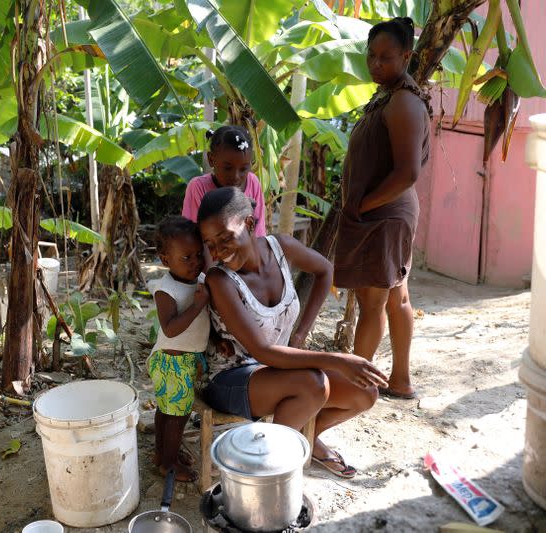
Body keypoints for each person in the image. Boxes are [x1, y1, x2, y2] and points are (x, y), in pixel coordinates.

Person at [198, 187, 387, 479]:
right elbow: (262, 352)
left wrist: (300, 336)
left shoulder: (280, 247)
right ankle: (267, 470)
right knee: (312, 384)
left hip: (276, 370)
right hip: (230, 379)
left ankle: (306, 438)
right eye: (210, 244)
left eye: (224, 237)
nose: (218, 252)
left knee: (365, 391)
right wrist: (337, 360)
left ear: (249, 224)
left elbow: (325, 270)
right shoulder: (221, 280)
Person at [334, 17, 432, 400]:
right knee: (396, 297)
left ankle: (355, 386)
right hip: (387, 213)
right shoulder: (391, 95)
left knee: (373, 302)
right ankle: (399, 380)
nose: (376, 64)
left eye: (387, 57)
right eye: (371, 56)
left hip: (385, 214)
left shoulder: (404, 102)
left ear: (406, 56)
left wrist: (361, 206)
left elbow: (407, 172)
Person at [147, 216, 210, 482]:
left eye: (198, 254)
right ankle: (169, 464)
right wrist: (197, 305)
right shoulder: (166, 290)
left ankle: (163, 454)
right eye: (186, 258)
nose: (195, 261)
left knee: (166, 410)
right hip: (170, 363)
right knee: (177, 416)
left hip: (184, 361)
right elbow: (170, 329)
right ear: (165, 260)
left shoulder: (200, 280)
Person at [182, 125, 267, 237]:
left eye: (243, 169)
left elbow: (259, 234)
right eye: (228, 168)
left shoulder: (253, 182)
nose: (236, 176)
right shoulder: (198, 187)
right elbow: (194, 237)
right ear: (211, 159)